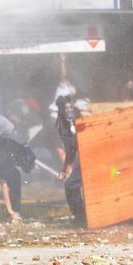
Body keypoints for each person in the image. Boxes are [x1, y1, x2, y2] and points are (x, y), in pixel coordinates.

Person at [55, 95, 86, 224]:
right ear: (61, 110)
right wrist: (64, 169)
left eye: (70, 107)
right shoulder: (63, 126)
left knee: (71, 185)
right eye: (65, 108)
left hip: (91, 155)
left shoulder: (81, 117)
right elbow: (71, 151)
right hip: (84, 159)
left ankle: (81, 216)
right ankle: (80, 216)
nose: (68, 110)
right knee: (70, 185)